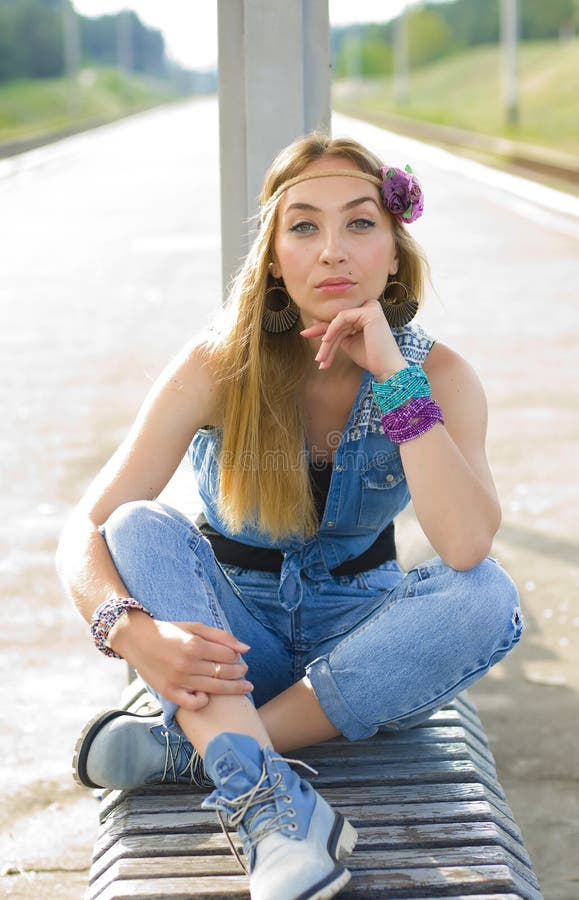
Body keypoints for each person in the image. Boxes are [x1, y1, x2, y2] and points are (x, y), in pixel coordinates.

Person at [56, 133, 523, 900]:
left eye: (360, 223)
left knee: (485, 595)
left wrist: (391, 376)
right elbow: (87, 530)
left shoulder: (437, 375)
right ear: (274, 256)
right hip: (234, 639)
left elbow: (465, 541)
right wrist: (133, 632)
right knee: (138, 524)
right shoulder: (216, 364)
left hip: (359, 647)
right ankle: (276, 813)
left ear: (394, 252)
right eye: (304, 226)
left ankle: (208, 749)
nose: (332, 251)